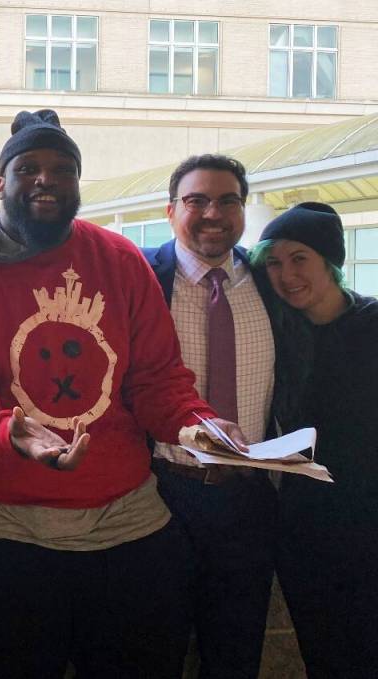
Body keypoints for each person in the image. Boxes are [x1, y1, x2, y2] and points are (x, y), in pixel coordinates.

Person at [0, 109, 247, 678]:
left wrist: (199, 426)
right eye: (29, 168)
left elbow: (158, 379)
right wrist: (10, 431)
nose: (47, 179)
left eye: (63, 169)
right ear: (0, 182)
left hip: (124, 510)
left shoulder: (119, 259)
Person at [141, 155, 307, 678]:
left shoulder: (271, 281)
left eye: (228, 200)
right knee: (151, 650)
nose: (214, 213)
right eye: (197, 201)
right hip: (160, 496)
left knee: (235, 654)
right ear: (171, 211)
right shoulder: (141, 277)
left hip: (249, 500)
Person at [251, 202, 378, 678]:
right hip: (305, 522)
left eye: (299, 258)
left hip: (368, 519)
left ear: (330, 261)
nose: (286, 275)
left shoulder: (372, 323)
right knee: (321, 651)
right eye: (274, 262)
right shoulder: (278, 333)